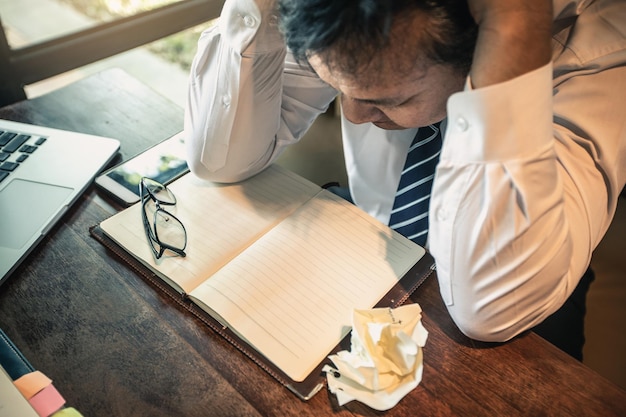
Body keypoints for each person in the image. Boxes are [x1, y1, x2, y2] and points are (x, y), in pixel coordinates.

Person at [184, 0, 626, 360]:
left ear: (479, 42)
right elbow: (222, 161)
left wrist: (513, 33)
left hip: (524, 277)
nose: (353, 115)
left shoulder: (601, 55)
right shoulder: (355, 18)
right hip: (375, 239)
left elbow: (489, 313)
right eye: (336, 86)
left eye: (393, 99)